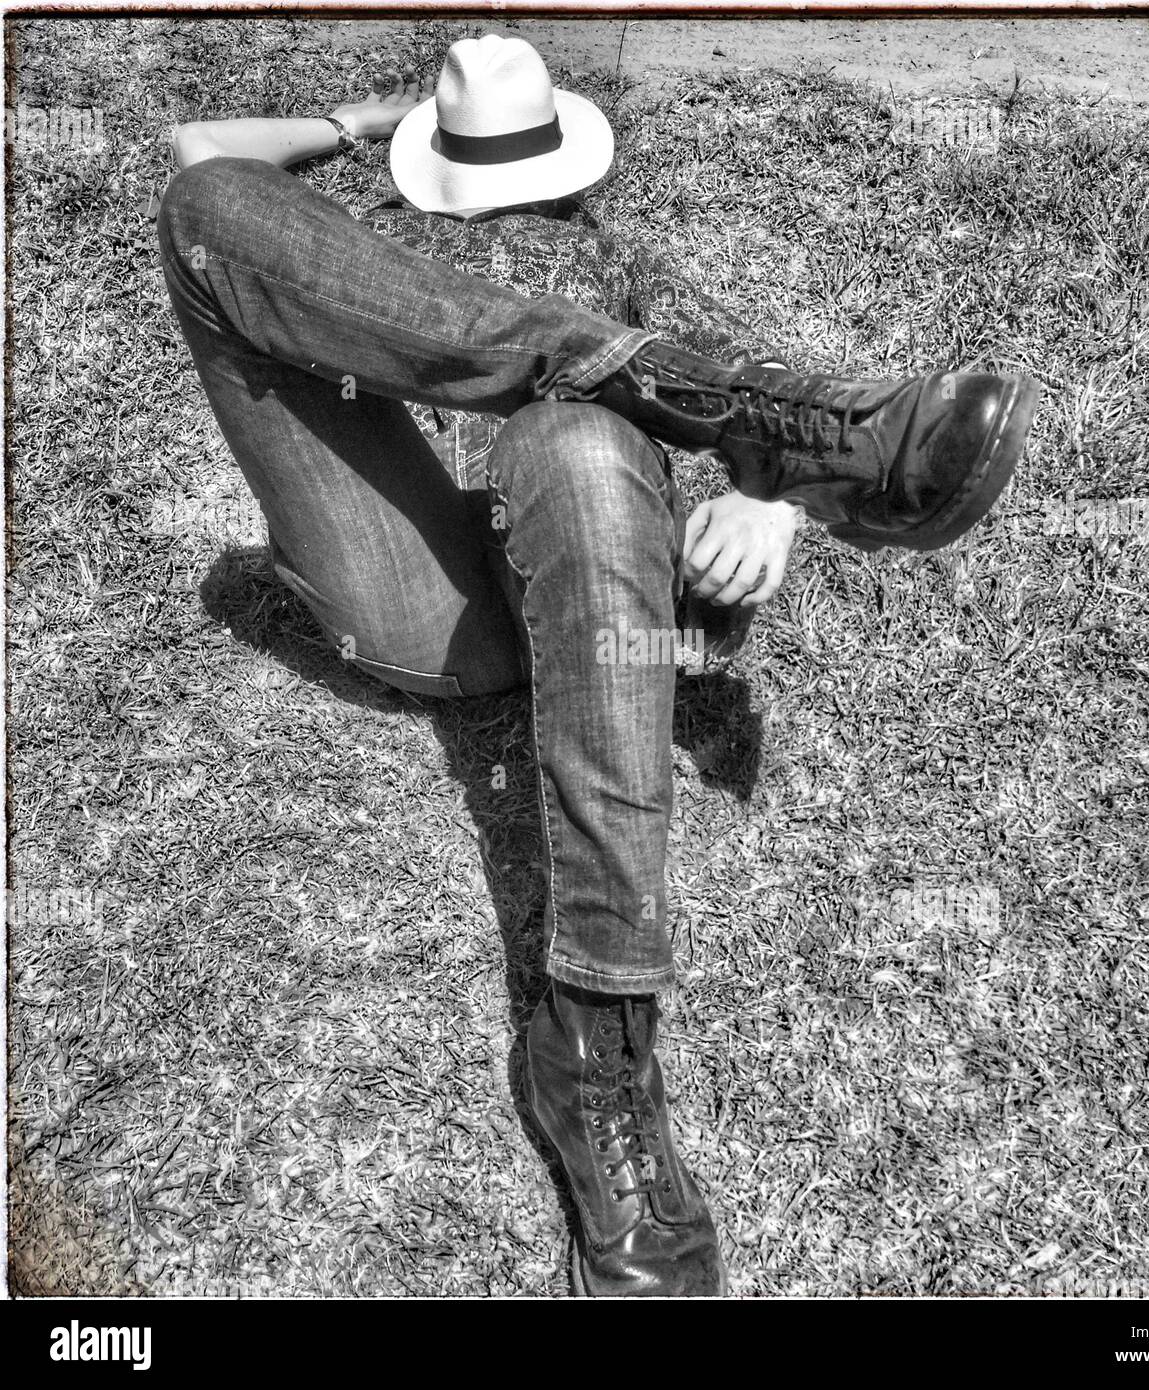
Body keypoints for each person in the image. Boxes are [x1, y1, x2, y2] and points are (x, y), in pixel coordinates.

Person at [160, 33, 1041, 1298]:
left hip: (589, 586)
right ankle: (736, 408)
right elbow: (201, 166)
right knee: (208, 210)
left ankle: (594, 1036)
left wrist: (775, 508)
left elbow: (726, 465)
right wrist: (379, 122)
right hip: (425, 601)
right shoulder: (350, 224)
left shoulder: (613, 258)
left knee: (575, 436)